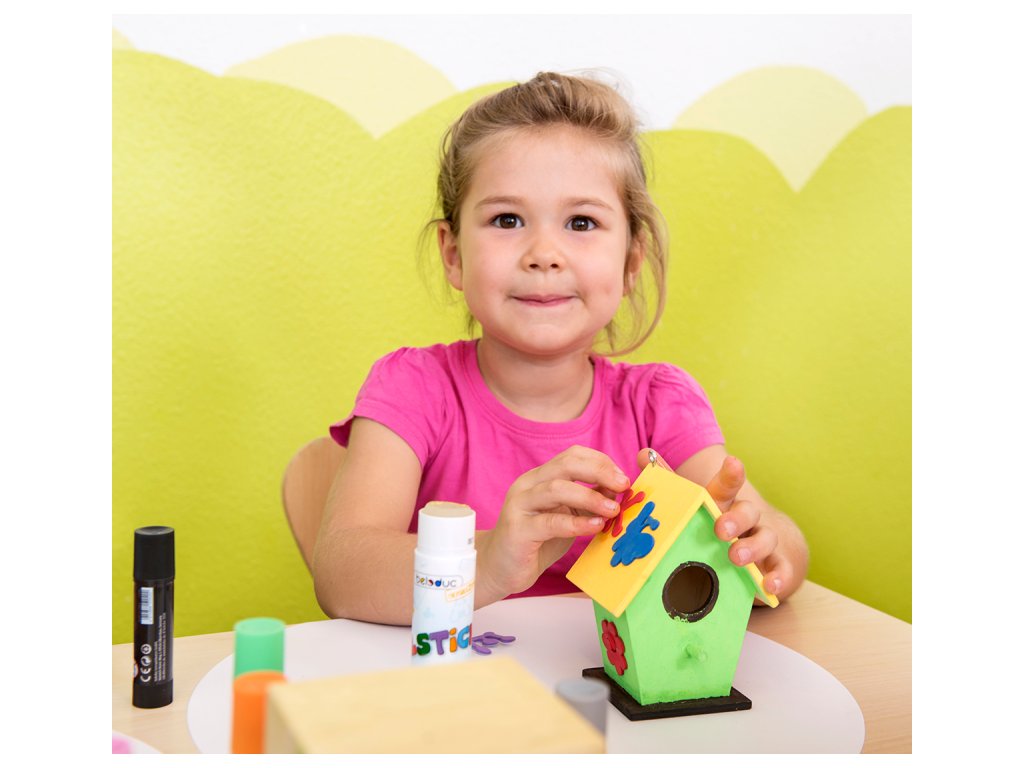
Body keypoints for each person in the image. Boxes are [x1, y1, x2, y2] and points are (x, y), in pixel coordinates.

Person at [313, 72, 808, 625]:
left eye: (581, 222)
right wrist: (490, 559)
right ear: (453, 255)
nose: (544, 253)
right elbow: (340, 574)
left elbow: (778, 546)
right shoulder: (413, 388)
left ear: (631, 262)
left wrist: (761, 546)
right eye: (507, 219)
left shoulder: (659, 404)